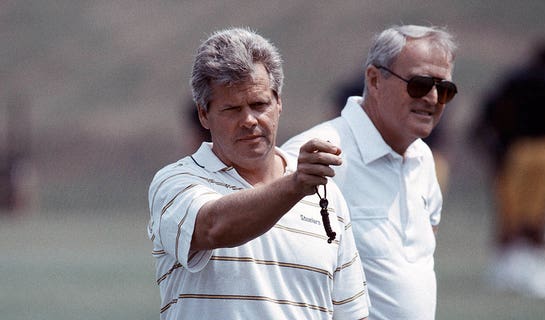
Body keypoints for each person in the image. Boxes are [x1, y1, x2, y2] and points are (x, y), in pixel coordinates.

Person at [148, 27, 369, 320]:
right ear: (204, 114)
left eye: (259, 104)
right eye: (231, 109)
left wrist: (298, 184)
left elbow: (351, 313)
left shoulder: (325, 194)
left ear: (279, 103)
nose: (249, 120)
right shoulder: (176, 182)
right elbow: (213, 227)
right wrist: (294, 187)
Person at [283, 25, 458, 320]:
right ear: (374, 80)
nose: (432, 98)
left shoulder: (422, 159)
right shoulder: (316, 156)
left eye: (444, 90)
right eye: (419, 84)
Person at [472, 39, 545, 299]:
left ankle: (512, 271)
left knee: (512, 214)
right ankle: (530, 271)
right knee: (537, 216)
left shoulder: (516, 81)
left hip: (519, 150)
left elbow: (494, 113)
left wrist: (495, 150)